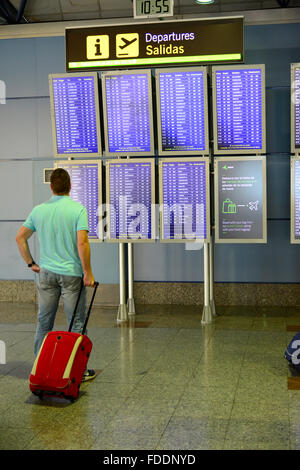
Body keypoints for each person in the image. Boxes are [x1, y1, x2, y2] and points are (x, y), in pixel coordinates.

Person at [16, 168, 96, 382]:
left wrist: (31, 263)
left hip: (47, 274)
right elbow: (82, 243)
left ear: (51, 186)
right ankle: (77, 371)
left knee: (44, 322)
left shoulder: (39, 210)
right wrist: (87, 273)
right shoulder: (77, 210)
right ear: (70, 186)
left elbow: (20, 238)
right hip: (71, 275)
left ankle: (38, 367)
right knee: (76, 323)